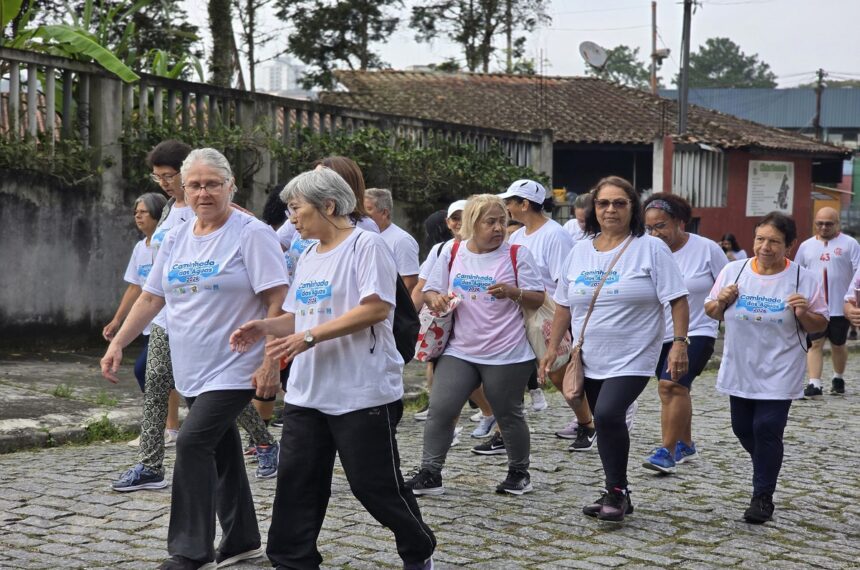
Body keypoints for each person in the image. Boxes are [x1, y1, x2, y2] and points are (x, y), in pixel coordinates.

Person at [229, 168, 436, 570]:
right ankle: (292, 561)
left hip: (361, 391)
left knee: (373, 485)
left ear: (328, 205)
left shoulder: (366, 246)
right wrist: (265, 327)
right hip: (308, 391)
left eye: (296, 208)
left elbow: (376, 308)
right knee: (297, 483)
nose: (291, 218)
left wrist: (309, 338)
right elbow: (299, 315)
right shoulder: (308, 254)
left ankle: (418, 547)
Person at [101, 148, 289, 568]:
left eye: (213, 184)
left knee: (192, 442)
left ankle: (190, 551)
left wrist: (269, 361)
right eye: (195, 185)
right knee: (221, 448)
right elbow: (152, 297)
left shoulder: (252, 233)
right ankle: (242, 540)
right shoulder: (177, 235)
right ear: (183, 190)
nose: (204, 193)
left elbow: (277, 298)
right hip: (192, 365)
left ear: (231, 185)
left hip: (236, 364)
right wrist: (118, 344)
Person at [541, 175, 689, 523]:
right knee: (604, 422)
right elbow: (563, 305)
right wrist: (552, 348)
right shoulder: (579, 251)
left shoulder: (650, 248)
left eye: (619, 203)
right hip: (590, 355)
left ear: (633, 208)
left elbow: (678, 300)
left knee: (608, 414)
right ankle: (617, 491)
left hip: (635, 354)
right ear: (594, 208)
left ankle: (617, 491)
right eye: (603, 203)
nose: (611, 209)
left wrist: (679, 343)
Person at [405, 194, 545, 496]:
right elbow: (429, 290)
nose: (498, 228)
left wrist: (512, 292)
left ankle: (519, 473)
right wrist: (436, 299)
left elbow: (538, 298)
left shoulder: (517, 254)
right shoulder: (451, 250)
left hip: (507, 351)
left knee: (508, 414)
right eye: (490, 222)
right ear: (472, 223)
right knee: (441, 409)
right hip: (459, 349)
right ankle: (430, 473)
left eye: (502, 221)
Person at [705, 212, 827, 524]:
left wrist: (803, 313)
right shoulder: (734, 270)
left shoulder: (802, 278)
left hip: (780, 368)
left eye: (774, 241)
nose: (765, 247)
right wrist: (721, 301)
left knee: (767, 429)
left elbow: (820, 324)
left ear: (790, 245)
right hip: (740, 367)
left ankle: (762, 497)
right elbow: (712, 311)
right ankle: (766, 463)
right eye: (760, 239)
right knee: (742, 429)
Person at [471, 180, 574, 457]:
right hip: (519, 315)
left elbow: (563, 282)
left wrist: (562, 322)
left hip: (546, 315)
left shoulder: (555, 235)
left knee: (561, 375)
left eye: (509, 202)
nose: (506, 208)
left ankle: (589, 421)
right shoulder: (517, 236)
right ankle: (503, 433)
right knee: (511, 379)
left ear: (524, 204)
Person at [110, 140, 189, 491]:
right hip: (163, 314)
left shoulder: (206, 210)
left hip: (196, 316)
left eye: (169, 175)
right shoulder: (170, 209)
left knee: (205, 391)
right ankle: (150, 465)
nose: (164, 183)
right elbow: (148, 284)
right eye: (158, 177)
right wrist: (119, 336)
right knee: (153, 378)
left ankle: (263, 442)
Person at [640, 193, 728, 474]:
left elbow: (729, 284)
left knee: (670, 386)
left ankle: (666, 452)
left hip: (698, 330)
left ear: (680, 222)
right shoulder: (646, 250)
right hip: (658, 333)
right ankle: (686, 444)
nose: (655, 233)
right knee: (678, 389)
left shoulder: (707, 249)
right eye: (649, 227)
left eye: (661, 226)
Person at [103, 192, 167, 396]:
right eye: (136, 212)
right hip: (146, 323)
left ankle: (162, 416)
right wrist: (117, 320)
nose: (138, 216)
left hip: (167, 322)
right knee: (159, 376)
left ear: (158, 214)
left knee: (145, 371)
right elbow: (135, 287)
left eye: (143, 212)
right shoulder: (140, 248)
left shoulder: (168, 244)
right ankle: (167, 416)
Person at [794, 206, 860, 397]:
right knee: (815, 343)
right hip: (815, 306)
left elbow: (858, 271)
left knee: (838, 344)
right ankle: (815, 383)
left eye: (829, 224)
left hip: (840, 306)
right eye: (820, 223)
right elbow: (797, 272)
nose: (824, 227)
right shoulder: (806, 246)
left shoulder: (850, 244)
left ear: (837, 224)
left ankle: (838, 377)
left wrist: (853, 299)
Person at [365, 187, 421, 292]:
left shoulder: (402, 240)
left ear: (384, 213)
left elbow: (410, 283)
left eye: (368, 209)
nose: (362, 214)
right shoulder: (362, 237)